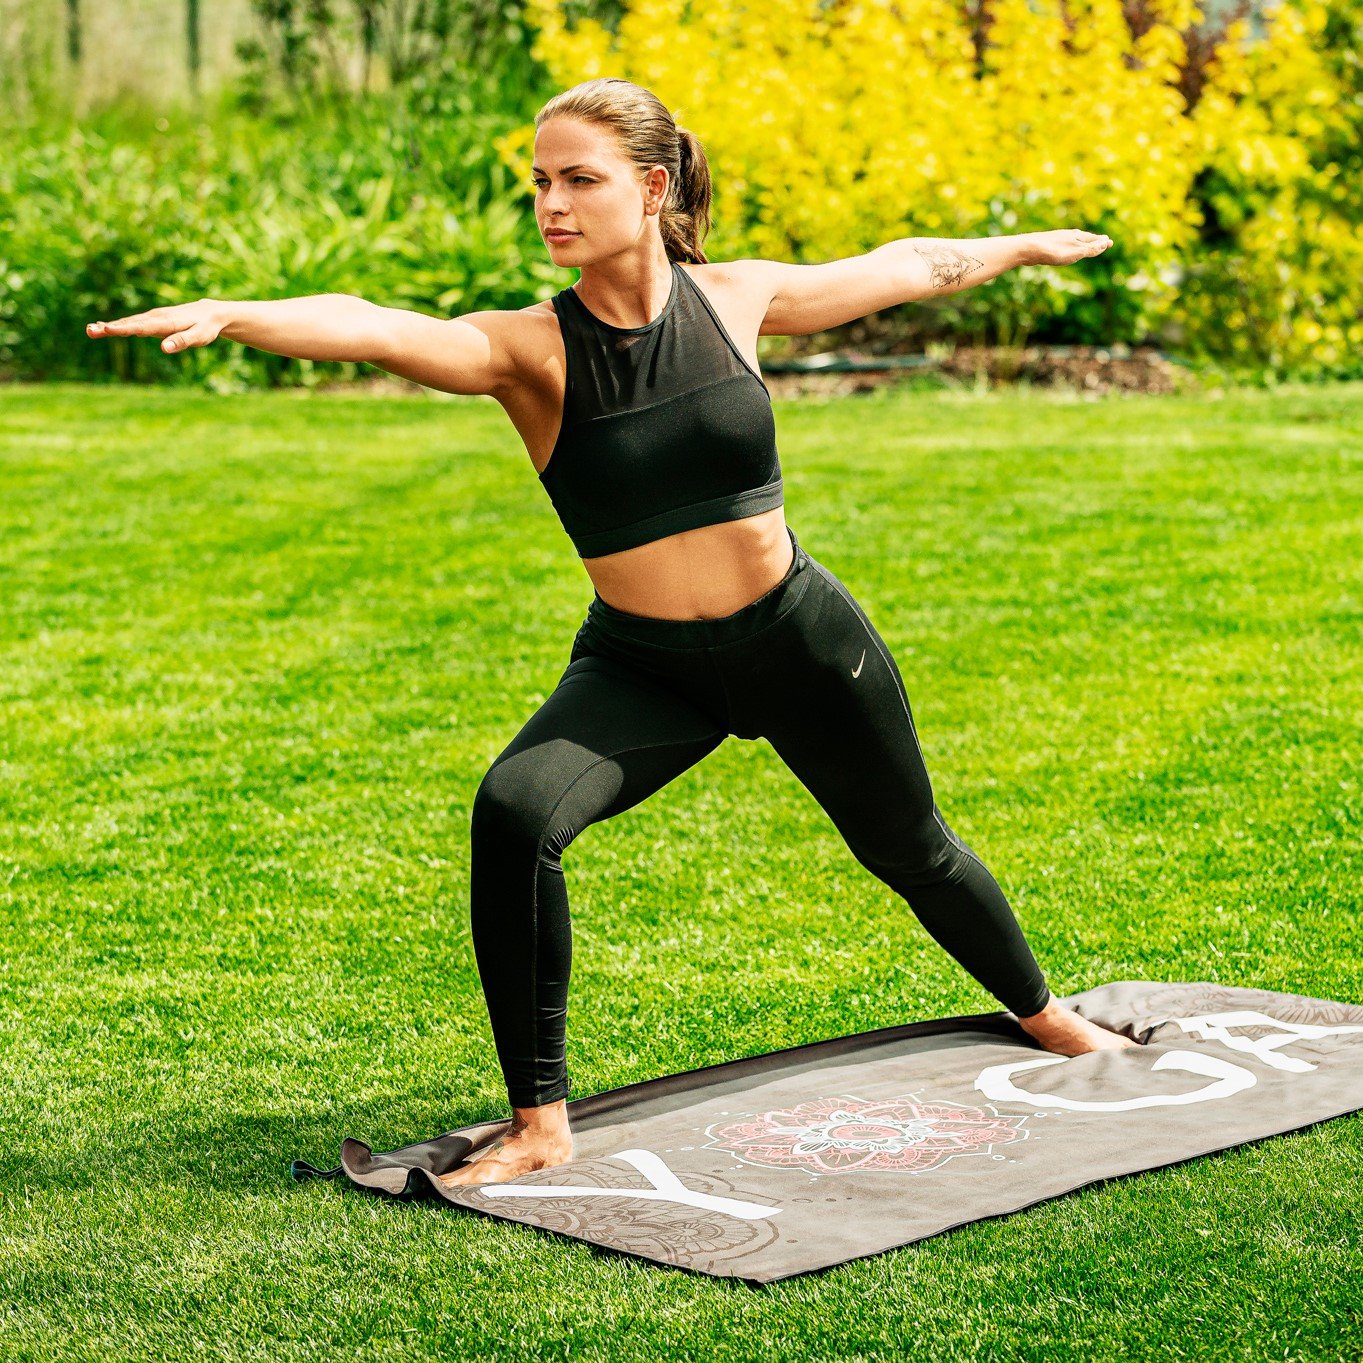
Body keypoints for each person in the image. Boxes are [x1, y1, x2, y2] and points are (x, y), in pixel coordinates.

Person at [87, 76, 1134, 1189]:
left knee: (910, 847)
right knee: (514, 808)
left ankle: (1045, 1012)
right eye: (538, 182)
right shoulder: (530, 351)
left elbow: (906, 266)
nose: (551, 203)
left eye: (577, 179)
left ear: (650, 186)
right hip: (648, 667)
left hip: (797, 641)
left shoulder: (735, 299)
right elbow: (378, 327)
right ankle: (540, 1121)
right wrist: (240, 316)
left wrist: (1019, 247)